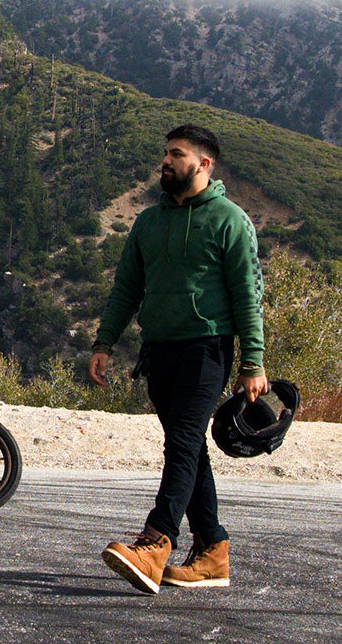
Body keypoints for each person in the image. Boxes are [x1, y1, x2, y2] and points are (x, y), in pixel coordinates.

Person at [90, 124, 267, 594]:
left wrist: (253, 362)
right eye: (166, 153)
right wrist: (104, 343)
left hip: (207, 348)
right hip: (159, 350)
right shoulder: (149, 222)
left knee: (184, 441)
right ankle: (213, 549)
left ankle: (156, 541)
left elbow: (248, 294)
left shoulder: (230, 220)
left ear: (204, 164)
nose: (165, 161)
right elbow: (127, 287)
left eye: (176, 154)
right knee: (187, 446)